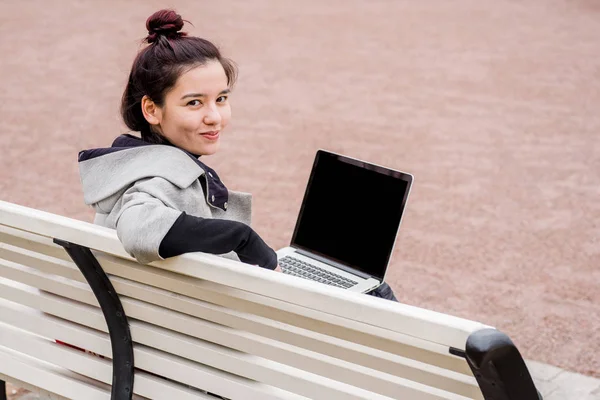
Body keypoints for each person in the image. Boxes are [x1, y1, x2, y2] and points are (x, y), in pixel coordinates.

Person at [78, 9, 397, 302]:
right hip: (201, 340)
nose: (214, 116)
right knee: (375, 293)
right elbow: (138, 227)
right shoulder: (155, 182)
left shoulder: (128, 167)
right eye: (194, 103)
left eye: (221, 98)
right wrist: (242, 238)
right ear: (152, 109)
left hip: (161, 330)